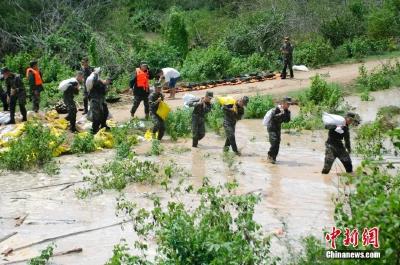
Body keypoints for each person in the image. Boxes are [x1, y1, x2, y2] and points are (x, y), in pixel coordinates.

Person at [266, 97, 291, 164]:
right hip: (271, 127)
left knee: (278, 143)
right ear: (283, 103)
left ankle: (273, 158)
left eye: (289, 104)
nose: (288, 105)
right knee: (274, 142)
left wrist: (286, 114)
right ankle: (270, 155)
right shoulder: (276, 109)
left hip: (277, 128)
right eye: (287, 104)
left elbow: (287, 121)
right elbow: (273, 118)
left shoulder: (287, 111)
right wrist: (281, 114)